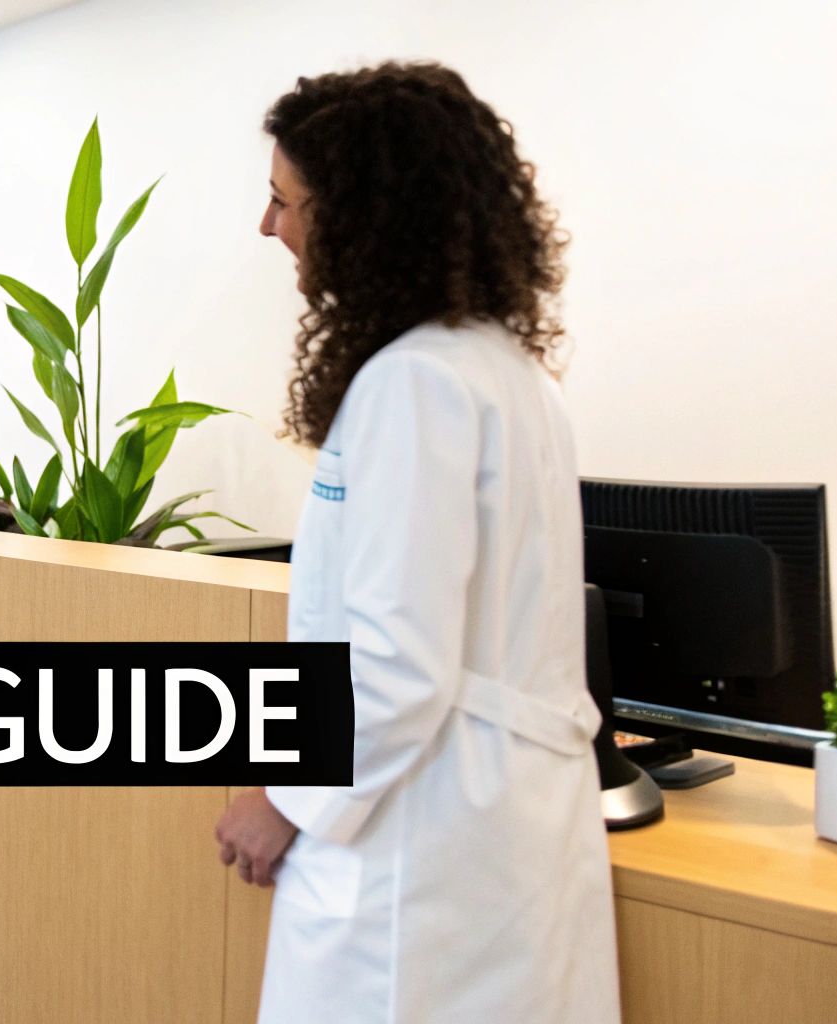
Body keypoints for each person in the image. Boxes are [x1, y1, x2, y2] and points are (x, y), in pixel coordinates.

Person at [213, 64, 620, 1023]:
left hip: (426, 852)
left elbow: (398, 661)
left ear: (363, 217)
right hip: (492, 835)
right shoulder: (504, 371)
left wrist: (288, 802)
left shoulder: (414, 383)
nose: (270, 227)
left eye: (284, 200)